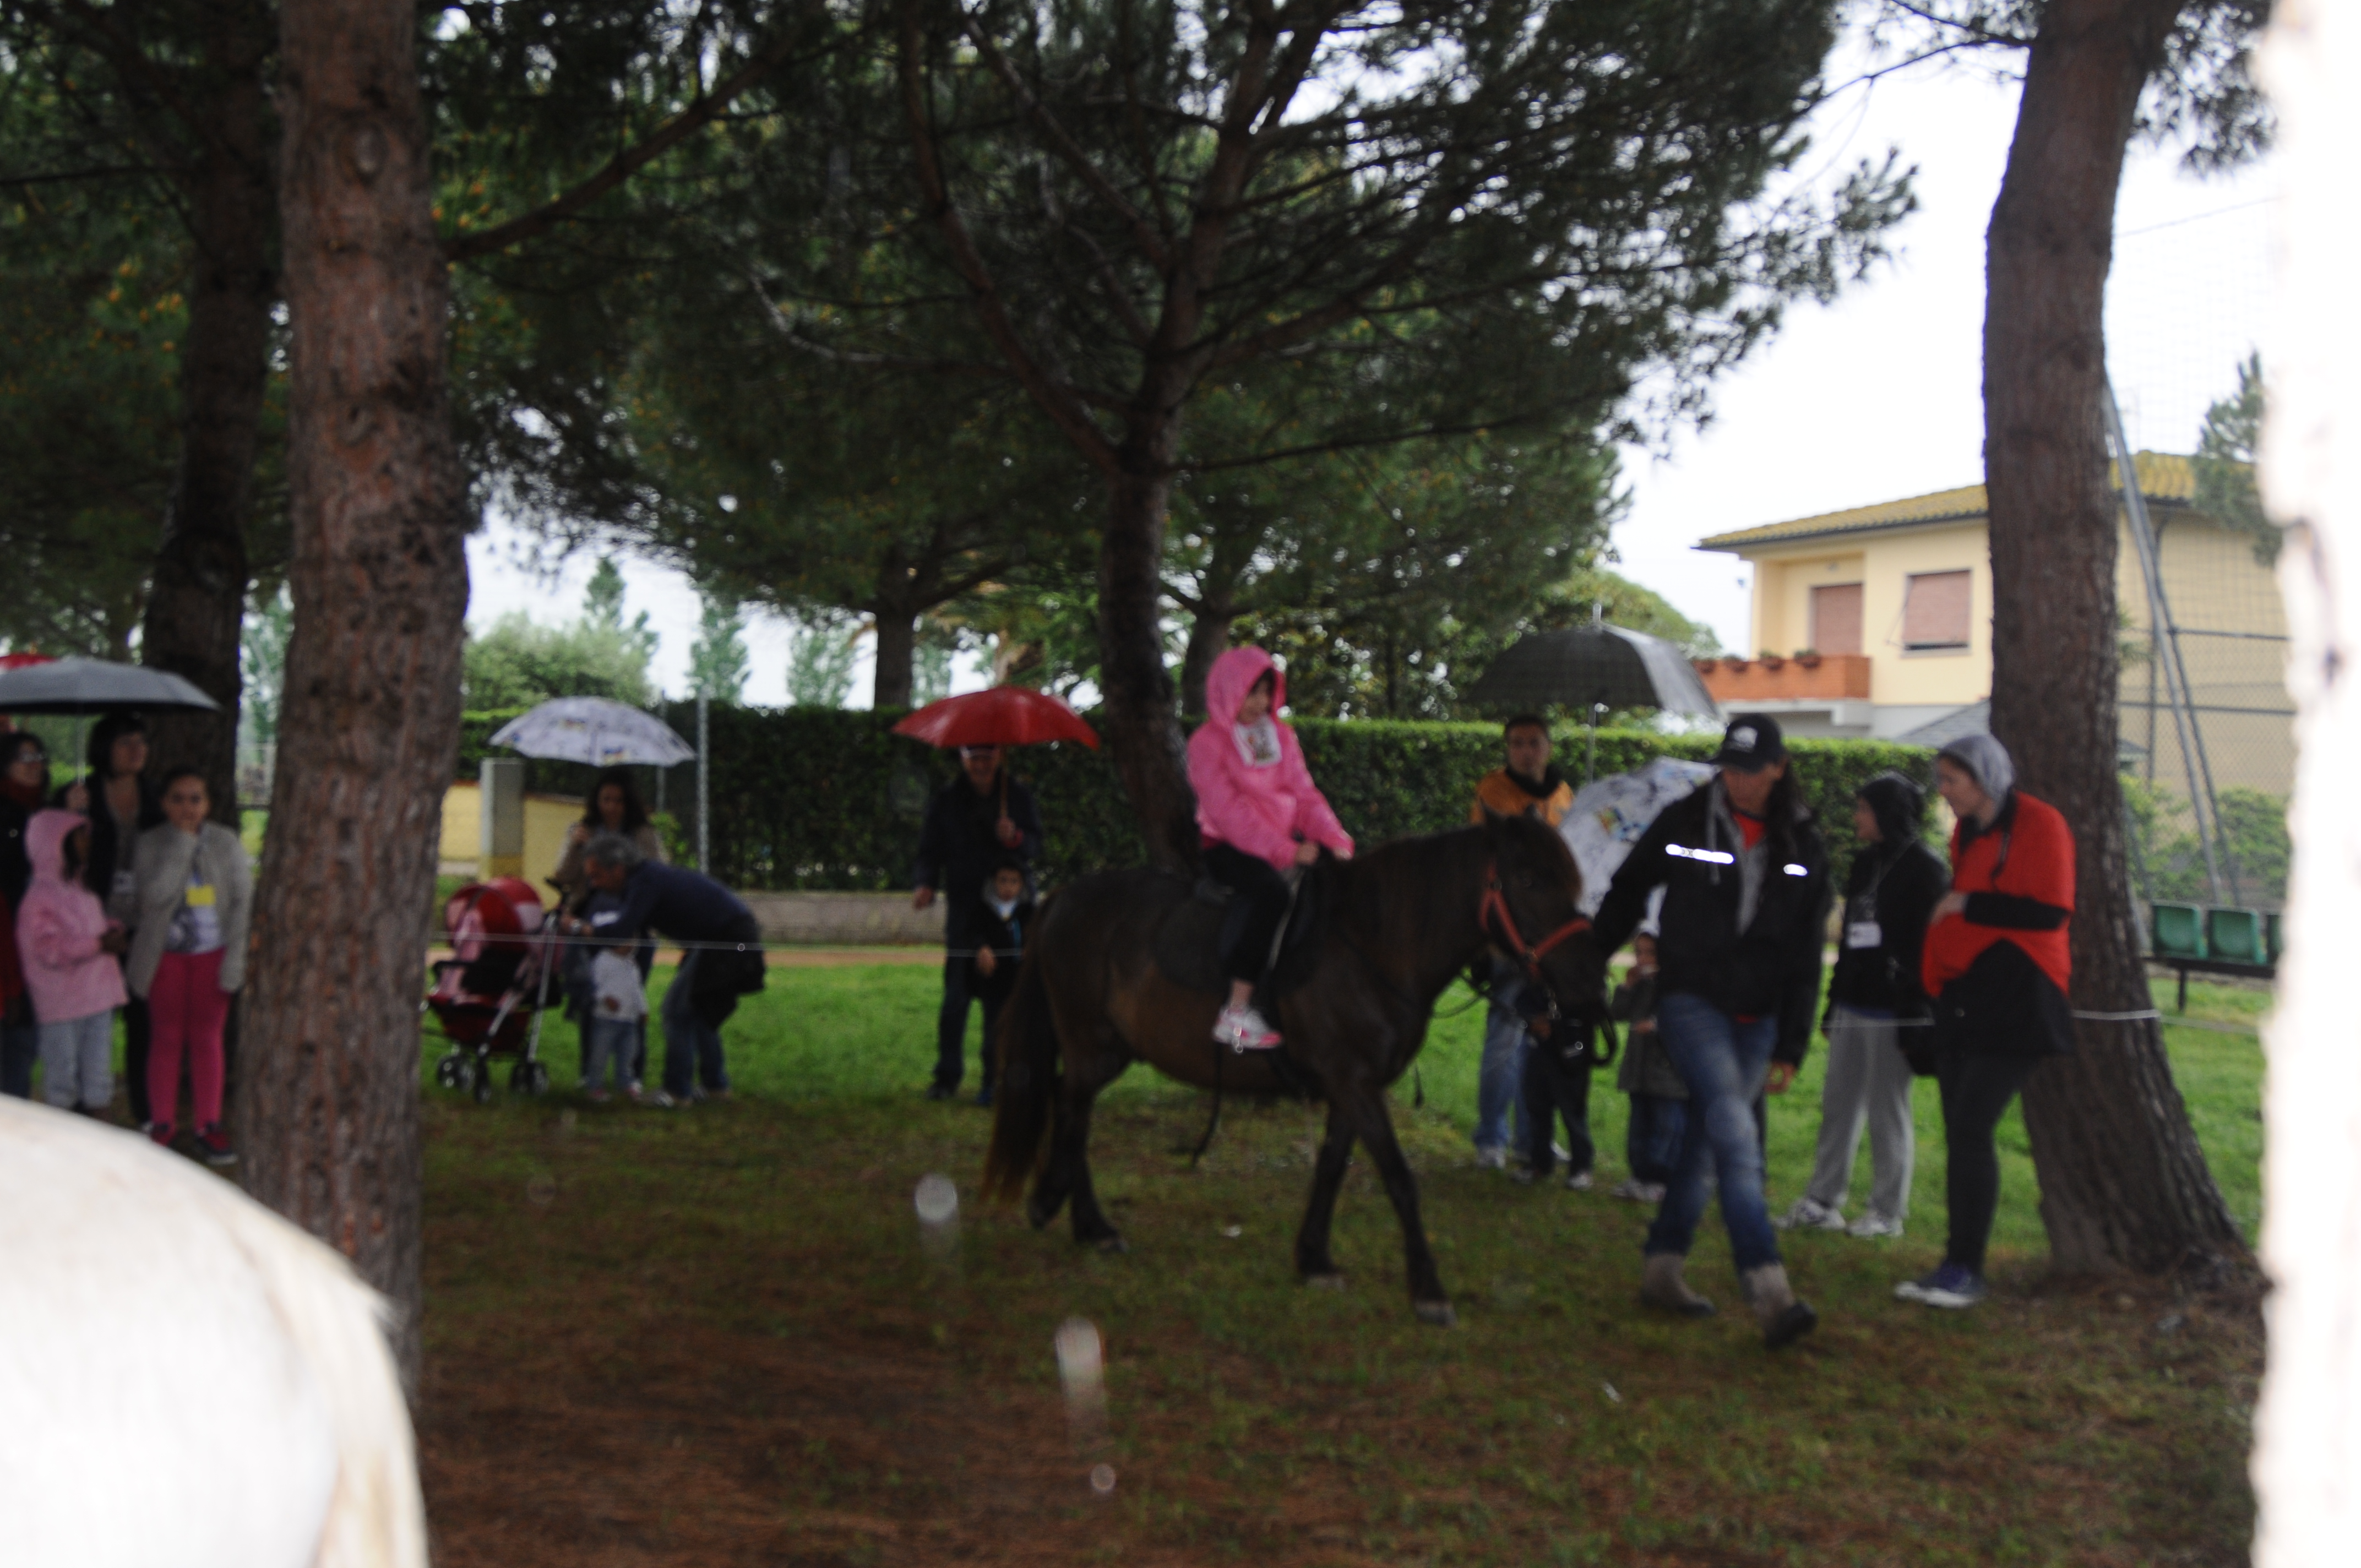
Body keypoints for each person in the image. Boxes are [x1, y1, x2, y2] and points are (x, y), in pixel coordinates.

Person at [1592, 713, 1830, 1349]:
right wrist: (1587, 960)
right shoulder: (1686, 819)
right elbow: (1628, 887)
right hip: (1690, 1000)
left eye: (1750, 770)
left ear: (1778, 768)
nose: (1737, 781)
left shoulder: (1806, 843)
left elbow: (1806, 954)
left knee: (1706, 1142)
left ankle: (1662, 1266)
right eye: (1728, 767)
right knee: (1734, 1128)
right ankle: (1769, 1287)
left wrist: (1792, 1042)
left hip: (1760, 1017)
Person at [1898, 734, 2076, 1311]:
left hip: (2020, 997)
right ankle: (1955, 1263)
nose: (1944, 792)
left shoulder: (2041, 824)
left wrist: (1967, 906)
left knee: (1973, 1127)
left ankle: (1966, 1268)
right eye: (1942, 780)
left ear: (1984, 778)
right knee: (1960, 1130)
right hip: (1966, 992)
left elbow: (2050, 911)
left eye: (1952, 780)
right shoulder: (1966, 833)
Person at [1779, 771, 1946, 1240]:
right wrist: (1834, 1003)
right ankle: (1822, 1200)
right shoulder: (1864, 864)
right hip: (1854, 1005)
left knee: (1886, 1111)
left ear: (1888, 814)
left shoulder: (1926, 870)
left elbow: (1930, 950)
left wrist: (1916, 1012)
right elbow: (1851, 940)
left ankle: (1887, 1212)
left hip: (1894, 1012)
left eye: (1864, 809)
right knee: (1838, 1105)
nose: (1856, 817)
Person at [1187, 647, 1354, 1050]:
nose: (1261, 702)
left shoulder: (1280, 736)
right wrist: (1285, 851)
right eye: (1252, 692)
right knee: (1271, 893)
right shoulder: (1207, 743)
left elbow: (1305, 796)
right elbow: (1228, 812)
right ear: (1229, 691)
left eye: (1266, 692)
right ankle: (1236, 1011)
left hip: (1279, 843)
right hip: (1226, 845)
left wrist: (1335, 840)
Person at [577, 833, 765, 1107]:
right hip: (730, 935)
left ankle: (677, 1092)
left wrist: (580, 929)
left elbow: (620, 932)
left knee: (676, 1012)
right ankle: (715, 1086)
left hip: (727, 939)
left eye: (597, 876)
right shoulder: (645, 877)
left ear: (617, 869)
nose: (594, 884)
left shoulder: (644, 881)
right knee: (699, 1008)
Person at [126, 768, 254, 1164]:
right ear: (164, 804)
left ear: (208, 804)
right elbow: (154, 897)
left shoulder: (226, 842)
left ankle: (208, 1124)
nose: (187, 808)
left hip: (212, 956)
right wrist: (182, 846)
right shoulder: (150, 843)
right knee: (165, 1038)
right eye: (178, 799)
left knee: (207, 1039)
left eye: (196, 799)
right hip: (165, 958)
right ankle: (163, 1124)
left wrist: (235, 958)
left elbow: (242, 902)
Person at [1470, 714, 1577, 1170]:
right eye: (1517, 743)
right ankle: (1492, 1137)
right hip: (1513, 933)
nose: (1526, 752)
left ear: (1549, 747)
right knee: (1506, 1035)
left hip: (1552, 931)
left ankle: (1534, 1137)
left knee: (1544, 1040)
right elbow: (1497, 851)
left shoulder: (1564, 794)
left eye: (1534, 743)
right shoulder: (1494, 791)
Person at [911, 744, 1042, 1099]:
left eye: (988, 756)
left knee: (1006, 1002)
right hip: (965, 912)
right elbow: (929, 850)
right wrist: (925, 883)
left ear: (999, 757)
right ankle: (947, 1076)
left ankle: (1000, 1077)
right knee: (956, 998)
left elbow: (1035, 845)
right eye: (974, 757)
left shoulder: (1017, 796)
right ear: (963, 758)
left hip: (1008, 913)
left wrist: (1014, 837)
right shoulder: (946, 800)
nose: (981, 764)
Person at [58, 715, 165, 1126]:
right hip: (91, 926)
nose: (137, 750)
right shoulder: (77, 795)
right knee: (87, 1021)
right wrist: (69, 816)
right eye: (126, 742)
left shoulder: (157, 797)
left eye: (141, 742)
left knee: (144, 1020)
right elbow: (53, 853)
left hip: (143, 924)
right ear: (105, 748)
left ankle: (146, 1112)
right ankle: (81, 1112)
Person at [14, 809, 127, 1117]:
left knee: (98, 1077)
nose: (86, 843)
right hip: (61, 1005)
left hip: (97, 996)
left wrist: (111, 930)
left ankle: (98, 1132)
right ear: (53, 843)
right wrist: (99, 944)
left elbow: (89, 928)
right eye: (78, 836)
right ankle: (62, 1137)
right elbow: (49, 950)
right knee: (61, 1079)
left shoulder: (81, 887)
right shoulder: (38, 898)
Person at [964, 854, 1035, 1109]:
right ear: (993, 882)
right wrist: (982, 948)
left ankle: (1022, 1086)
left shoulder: (1029, 912)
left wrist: (1030, 949)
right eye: (1003, 880)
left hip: (1021, 985)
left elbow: (1036, 937)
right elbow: (972, 934)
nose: (1008, 887)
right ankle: (989, 1085)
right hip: (993, 985)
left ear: (1022, 884)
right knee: (993, 1037)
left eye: (1014, 881)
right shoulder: (983, 910)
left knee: (1023, 1036)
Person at [0, 731, 46, 1098]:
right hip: (8, 936)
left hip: (41, 940)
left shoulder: (47, 811)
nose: (34, 766)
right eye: (25, 757)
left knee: (26, 1043)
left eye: (39, 757)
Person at [552, 768, 666, 913]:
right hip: (586, 907)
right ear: (596, 801)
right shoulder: (581, 831)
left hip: (631, 907)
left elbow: (657, 874)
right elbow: (563, 876)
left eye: (618, 801)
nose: (611, 807)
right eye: (606, 800)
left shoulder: (643, 834)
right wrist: (574, 847)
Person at [583, 941, 648, 1104]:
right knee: (599, 1056)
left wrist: (643, 1009)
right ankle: (595, 1086)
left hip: (629, 1019)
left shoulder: (632, 964)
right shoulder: (603, 960)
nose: (631, 946)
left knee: (628, 1055)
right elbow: (594, 985)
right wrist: (605, 998)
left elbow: (637, 988)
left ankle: (625, 1083)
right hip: (606, 1019)